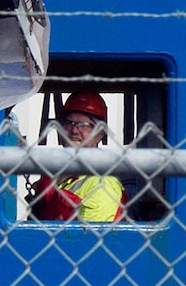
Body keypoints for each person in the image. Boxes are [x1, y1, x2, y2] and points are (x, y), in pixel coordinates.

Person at [28, 89, 127, 222]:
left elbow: (92, 234)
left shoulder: (103, 184)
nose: (74, 130)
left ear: (100, 134)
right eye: (69, 123)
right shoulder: (54, 174)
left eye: (84, 125)